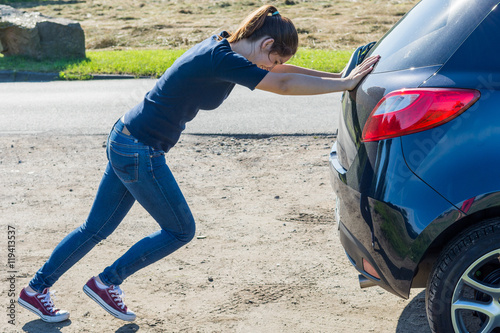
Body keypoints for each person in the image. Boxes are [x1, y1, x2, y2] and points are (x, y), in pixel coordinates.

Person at [18, 4, 379, 323]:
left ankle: (36, 290)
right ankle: (106, 281)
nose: (275, 68)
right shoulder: (222, 59)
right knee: (180, 230)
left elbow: (286, 73)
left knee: (95, 228)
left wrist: (341, 79)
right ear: (266, 45)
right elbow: (283, 84)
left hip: (127, 138)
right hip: (139, 149)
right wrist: (344, 84)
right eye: (275, 59)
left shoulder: (225, 48)